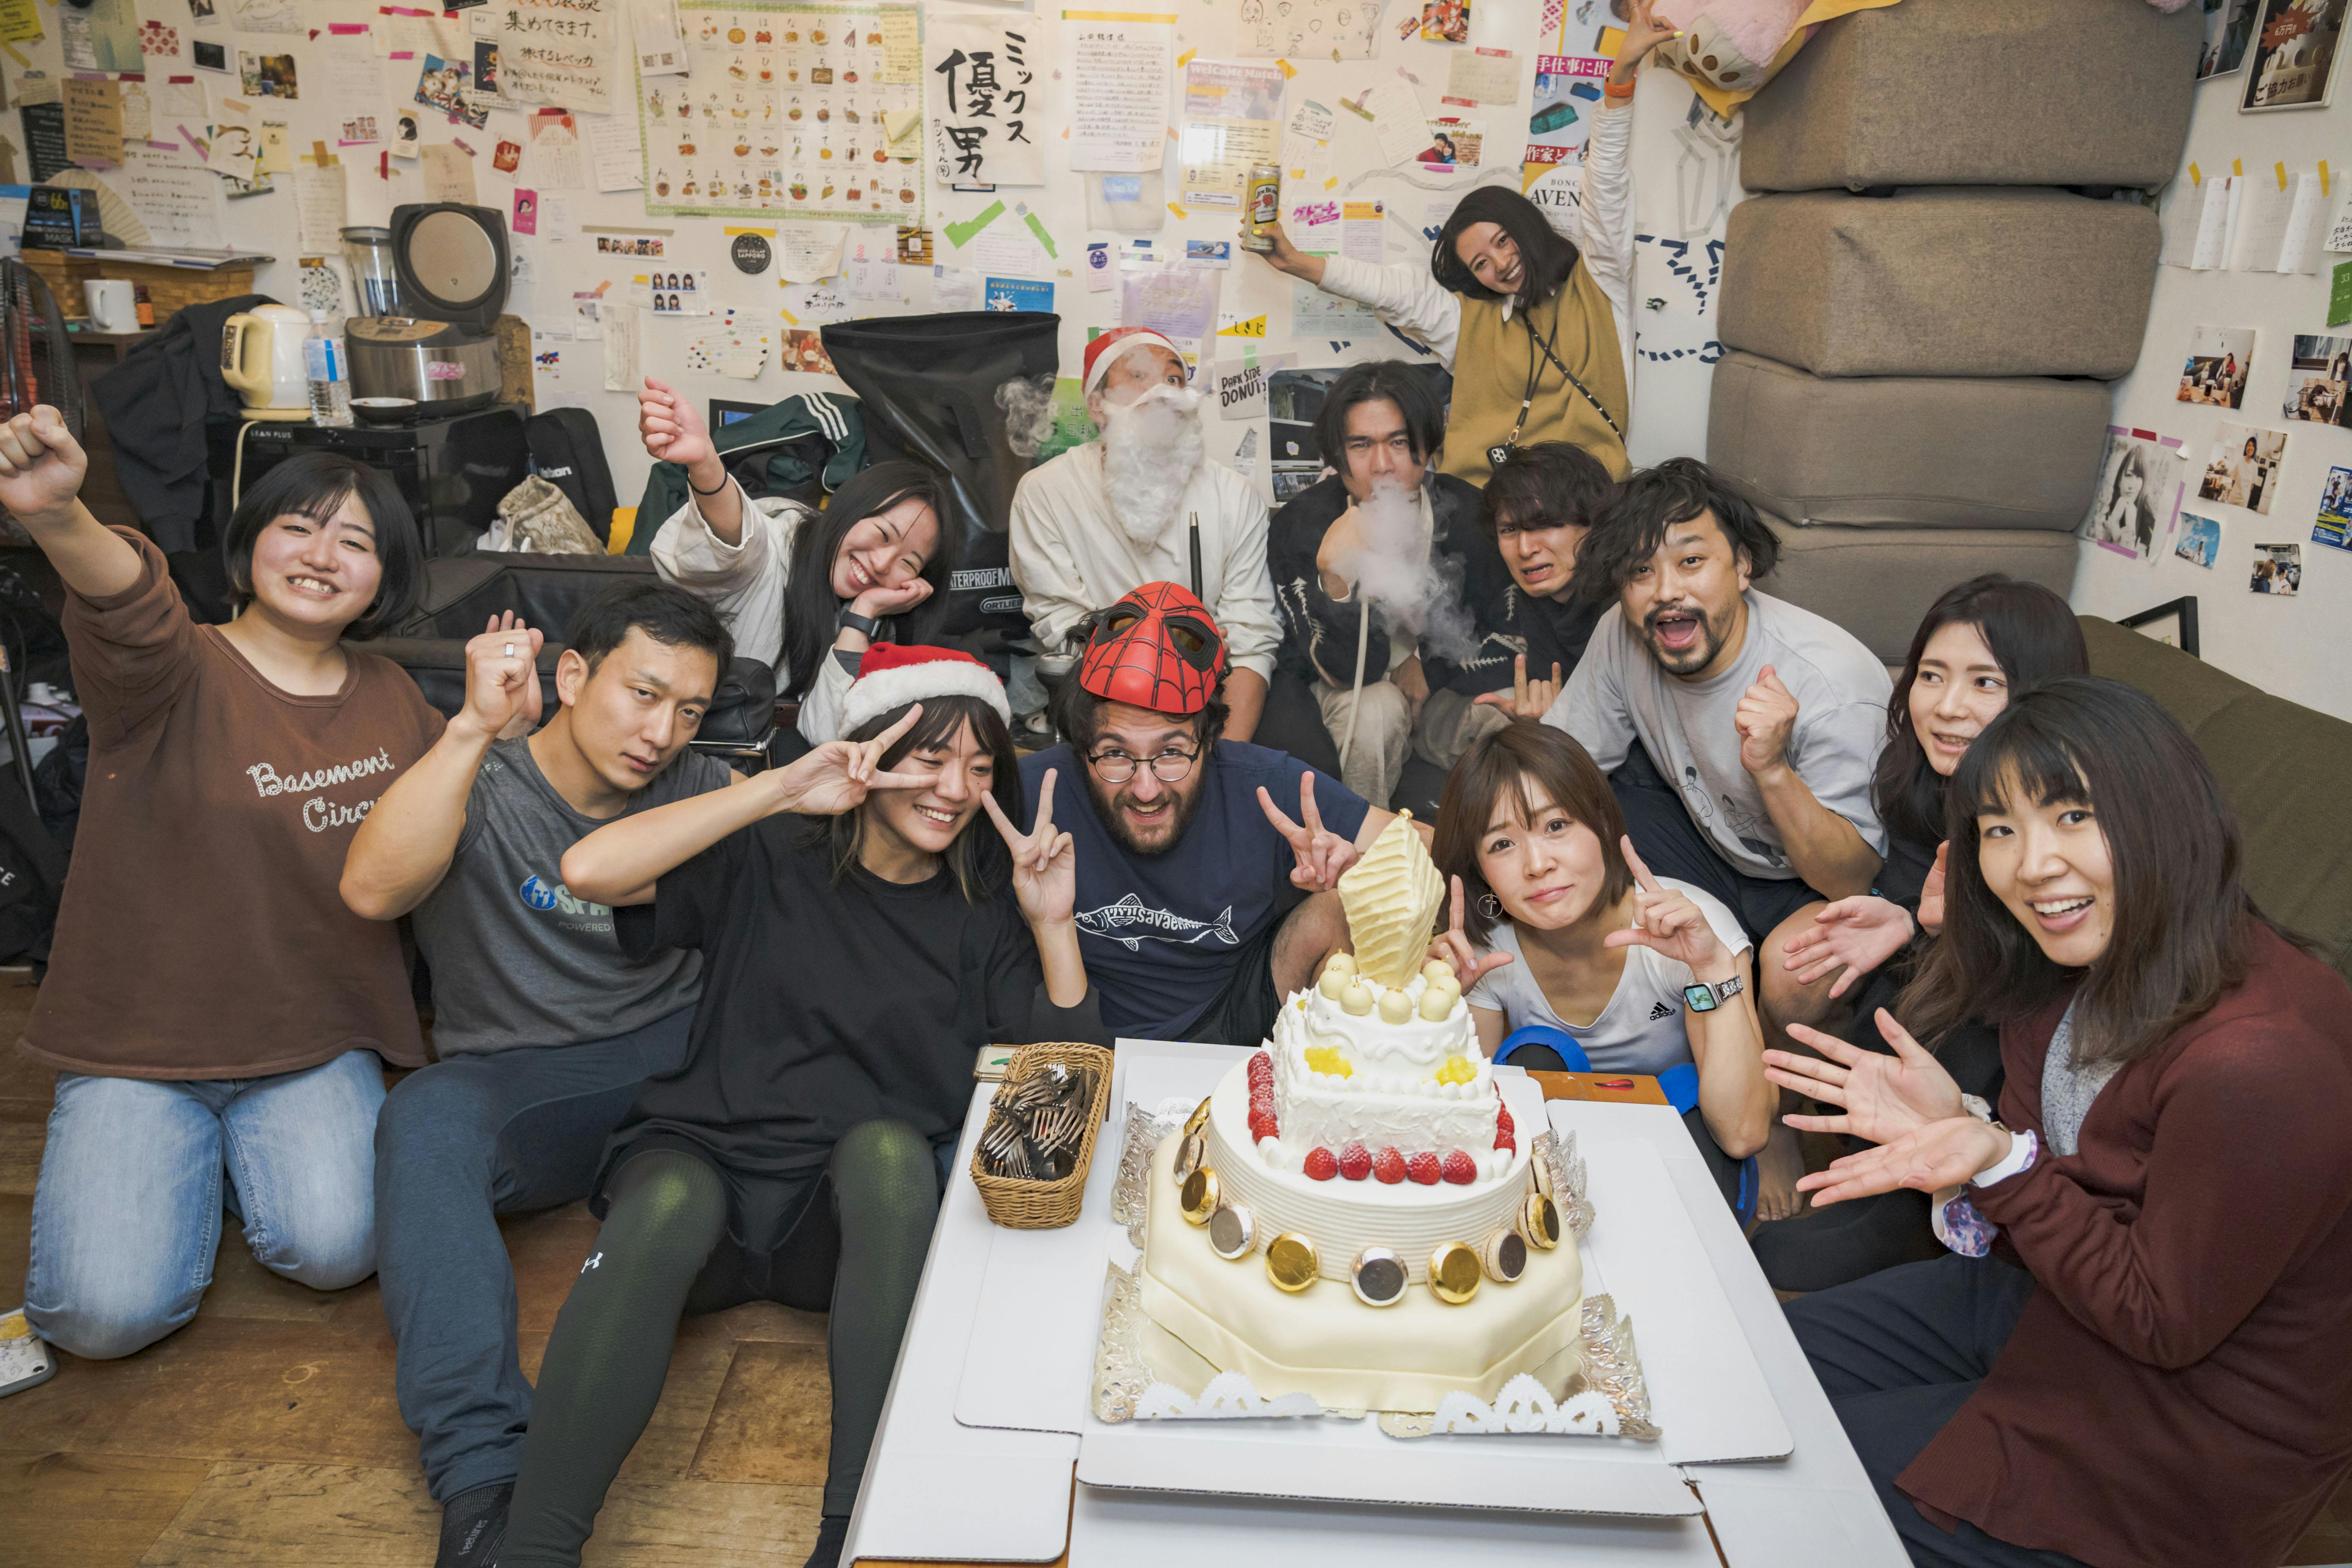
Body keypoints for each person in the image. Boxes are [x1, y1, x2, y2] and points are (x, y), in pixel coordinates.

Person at [497, 647, 1104, 1568]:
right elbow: (588, 867)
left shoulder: (985, 906)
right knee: (668, 1197)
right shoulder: (771, 852)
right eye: (931, 758)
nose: (954, 789)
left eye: (980, 769)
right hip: (703, 1186)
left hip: (846, 1231)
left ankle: (857, 1537)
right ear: (871, 750)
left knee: (893, 1155)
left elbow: (1064, 1087)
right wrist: (778, 788)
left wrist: (1053, 922)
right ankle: (530, 1551)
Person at [1766, 678, 2352, 1568]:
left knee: (1790, 1478)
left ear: (2167, 814)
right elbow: (2047, 1179)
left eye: (2073, 817)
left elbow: (2161, 1319)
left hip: (2179, 1432)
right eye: (1999, 829)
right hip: (2045, 1302)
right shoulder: (2069, 965)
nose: (2031, 864)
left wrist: (2000, 1162)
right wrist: (1964, 1132)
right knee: (1755, 1374)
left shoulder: (2259, 1062)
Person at [0, 407, 438, 1361]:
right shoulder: (171, 668)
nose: (321, 554)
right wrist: (59, 514)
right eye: (298, 526)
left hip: (316, 1038)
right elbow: (127, 605)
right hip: (142, 1046)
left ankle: (229, 1159)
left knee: (342, 1248)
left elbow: (452, 826)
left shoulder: (395, 696)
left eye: (355, 541)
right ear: (249, 545)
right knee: (103, 1319)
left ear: (385, 577)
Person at [338, 583, 739, 1568]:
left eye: (689, 710)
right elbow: (372, 890)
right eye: (643, 694)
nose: (662, 733)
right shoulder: (478, 778)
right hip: (526, 1080)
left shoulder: (702, 784)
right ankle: (483, 1481)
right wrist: (473, 726)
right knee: (425, 1120)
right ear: (571, 676)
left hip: (684, 1063)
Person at [1519, 456, 1892, 1220]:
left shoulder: (1832, 683)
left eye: (1691, 561)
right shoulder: (1623, 636)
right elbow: (1563, 767)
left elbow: (1851, 877)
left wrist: (1773, 769)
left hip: (1806, 872)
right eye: (1640, 571)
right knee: (1584, 840)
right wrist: (1461, 846)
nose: (1666, 591)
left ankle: (1774, 1119)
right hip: (1700, 832)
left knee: (1792, 971)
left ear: (1743, 566)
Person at [1752, 575, 2087, 1291]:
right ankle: (1876, 1180)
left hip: (2035, 1002)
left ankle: (1910, 1215)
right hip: (1957, 965)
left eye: (1985, 682)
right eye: (1932, 676)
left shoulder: (2068, 798)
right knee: (1883, 980)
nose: (1948, 705)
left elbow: (2066, 947)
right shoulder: (1925, 777)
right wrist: (1908, 920)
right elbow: (1916, 887)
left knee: (1947, 1002)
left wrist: (1948, 930)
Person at [1249, 0, 1682, 488]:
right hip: (1487, 510)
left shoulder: (1600, 285)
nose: (1501, 263)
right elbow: (1397, 292)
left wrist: (1621, 75)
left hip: (1586, 504)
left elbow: (1606, 190)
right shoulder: (1470, 325)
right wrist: (1298, 263)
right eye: (1480, 263)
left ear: (1526, 229)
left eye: (1504, 240)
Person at [1027, 581, 1417, 1047]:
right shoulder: (1037, 789)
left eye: (1172, 751)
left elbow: (1434, 849)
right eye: (1115, 753)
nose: (1146, 789)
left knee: (1343, 905)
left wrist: (1359, 871)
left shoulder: (1266, 785)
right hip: (1088, 1031)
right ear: (1081, 745)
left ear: (1210, 741)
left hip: (1241, 1021)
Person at [1429, 722, 1770, 1211]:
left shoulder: (1691, 927)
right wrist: (1442, 1010)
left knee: (1688, 1088)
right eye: (1502, 844)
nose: (1537, 864)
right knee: (1533, 1055)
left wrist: (1713, 969)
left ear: (1604, 825)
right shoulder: (1485, 953)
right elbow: (1468, 1129)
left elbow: (1742, 1132)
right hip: (1556, 1168)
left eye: (1556, 826)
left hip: (1679, 1145)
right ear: (1480, 870)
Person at [635, 374, 952, 747]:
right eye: (882, 534)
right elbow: (737, 541)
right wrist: (706, 464)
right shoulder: (777, 547)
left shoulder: (883, 615)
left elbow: (827, 735)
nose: (883, 564)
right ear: (849, 509)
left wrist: (862, 615)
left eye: (908, 563)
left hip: (777, 764)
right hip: (679, 747)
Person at [1009, 326, 1281, 741]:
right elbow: (1064, 627)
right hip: (1095, 695)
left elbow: (1251, 637)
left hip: (1214, 693)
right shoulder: (1046, 491)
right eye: (1141, 375)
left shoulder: (1235, 495)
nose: (1164, 392)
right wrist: (1177, 649)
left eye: (1174, 379)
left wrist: (1224, 759)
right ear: (1097, 405)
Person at [1264, 359, 1514, 808]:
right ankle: (1359, 846)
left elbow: (1510, 635)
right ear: (1337, 455)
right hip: (1355, 694)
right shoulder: (1303, 524)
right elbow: (1341, 671)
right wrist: (1335, 578)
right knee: (1376, 711)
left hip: (1443, 695)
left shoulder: (1469, 512)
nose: (1382, 465)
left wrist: (1427, 670)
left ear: (1428, 445)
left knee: (1512, 710)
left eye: (1399, 442)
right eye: (1361, 445)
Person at [1467, 441, 1618, 724]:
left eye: (1544, 524)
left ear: (1593, 524)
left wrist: (1556, 726)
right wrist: (1539, 726)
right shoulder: (1536, 602)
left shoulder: (1625, 606)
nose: (1525, 549)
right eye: (1510, 530)